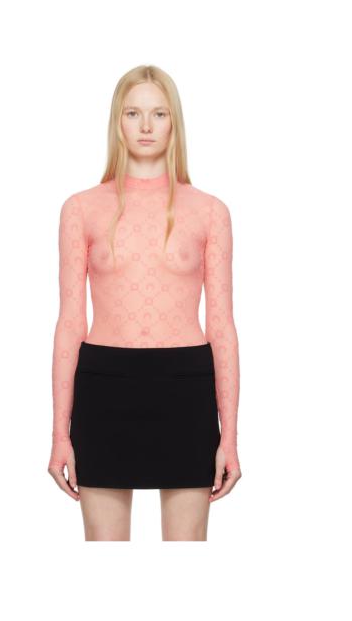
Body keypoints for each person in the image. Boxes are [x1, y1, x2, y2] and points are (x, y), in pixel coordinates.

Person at [47, 65, 241, 541]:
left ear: (175, 122)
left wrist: (230, 436)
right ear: (118, 121)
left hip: (186, 387)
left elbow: (221, 325)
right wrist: (59, 434)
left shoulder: (210, 211)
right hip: (104, 387)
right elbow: (70, 322)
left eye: (159, 113)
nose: (147, 126)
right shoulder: (80, 209)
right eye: (133, 113)